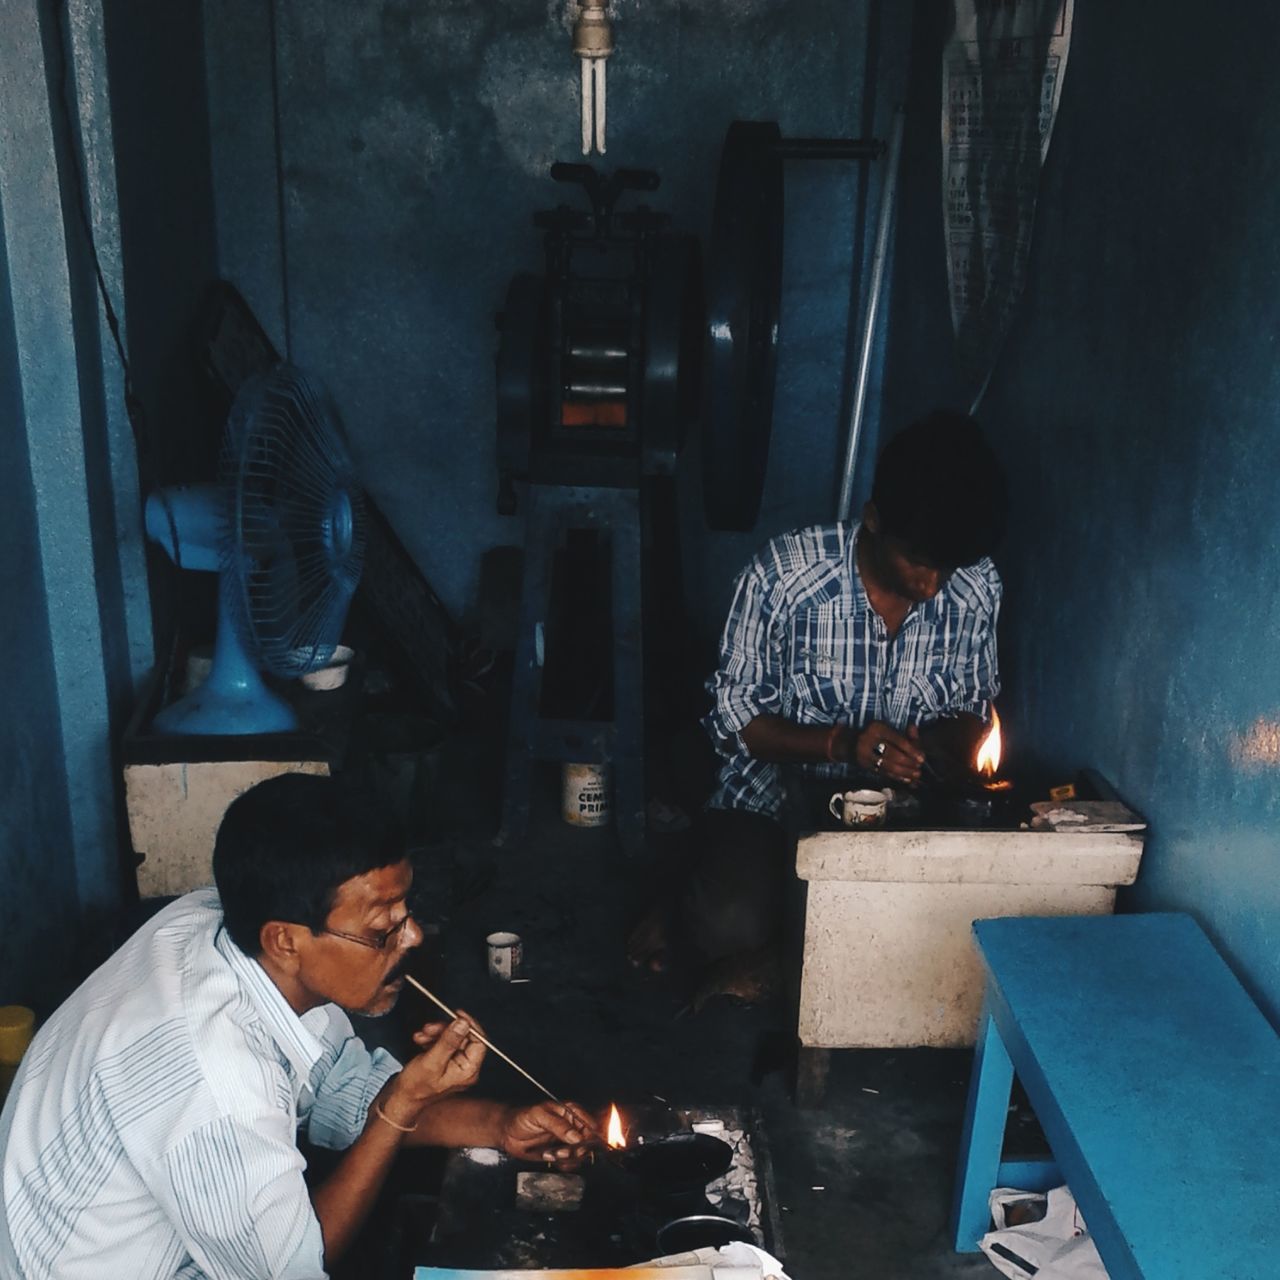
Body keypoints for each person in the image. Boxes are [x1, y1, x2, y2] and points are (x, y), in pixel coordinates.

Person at [0, 774, 597, 1280]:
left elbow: (339, 1092)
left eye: (406, 913)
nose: (411, 939)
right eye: (381, 930)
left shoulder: (224, 927)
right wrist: (404, 1103)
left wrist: (500, 1126)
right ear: (285, 940)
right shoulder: (219, 1083)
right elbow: (291, 1271)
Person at [629, 410, 1009, 976]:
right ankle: (688, 895)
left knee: (938, 937)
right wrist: (842, 745)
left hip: (901, 805)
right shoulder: (783, 577)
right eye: (921, 564)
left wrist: (933, 746)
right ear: (874, 520)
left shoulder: (975, 586)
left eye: (947, 569)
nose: (933, 588)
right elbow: (737, 723)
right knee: (730, 924)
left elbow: (973, 709)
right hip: (776, 794)